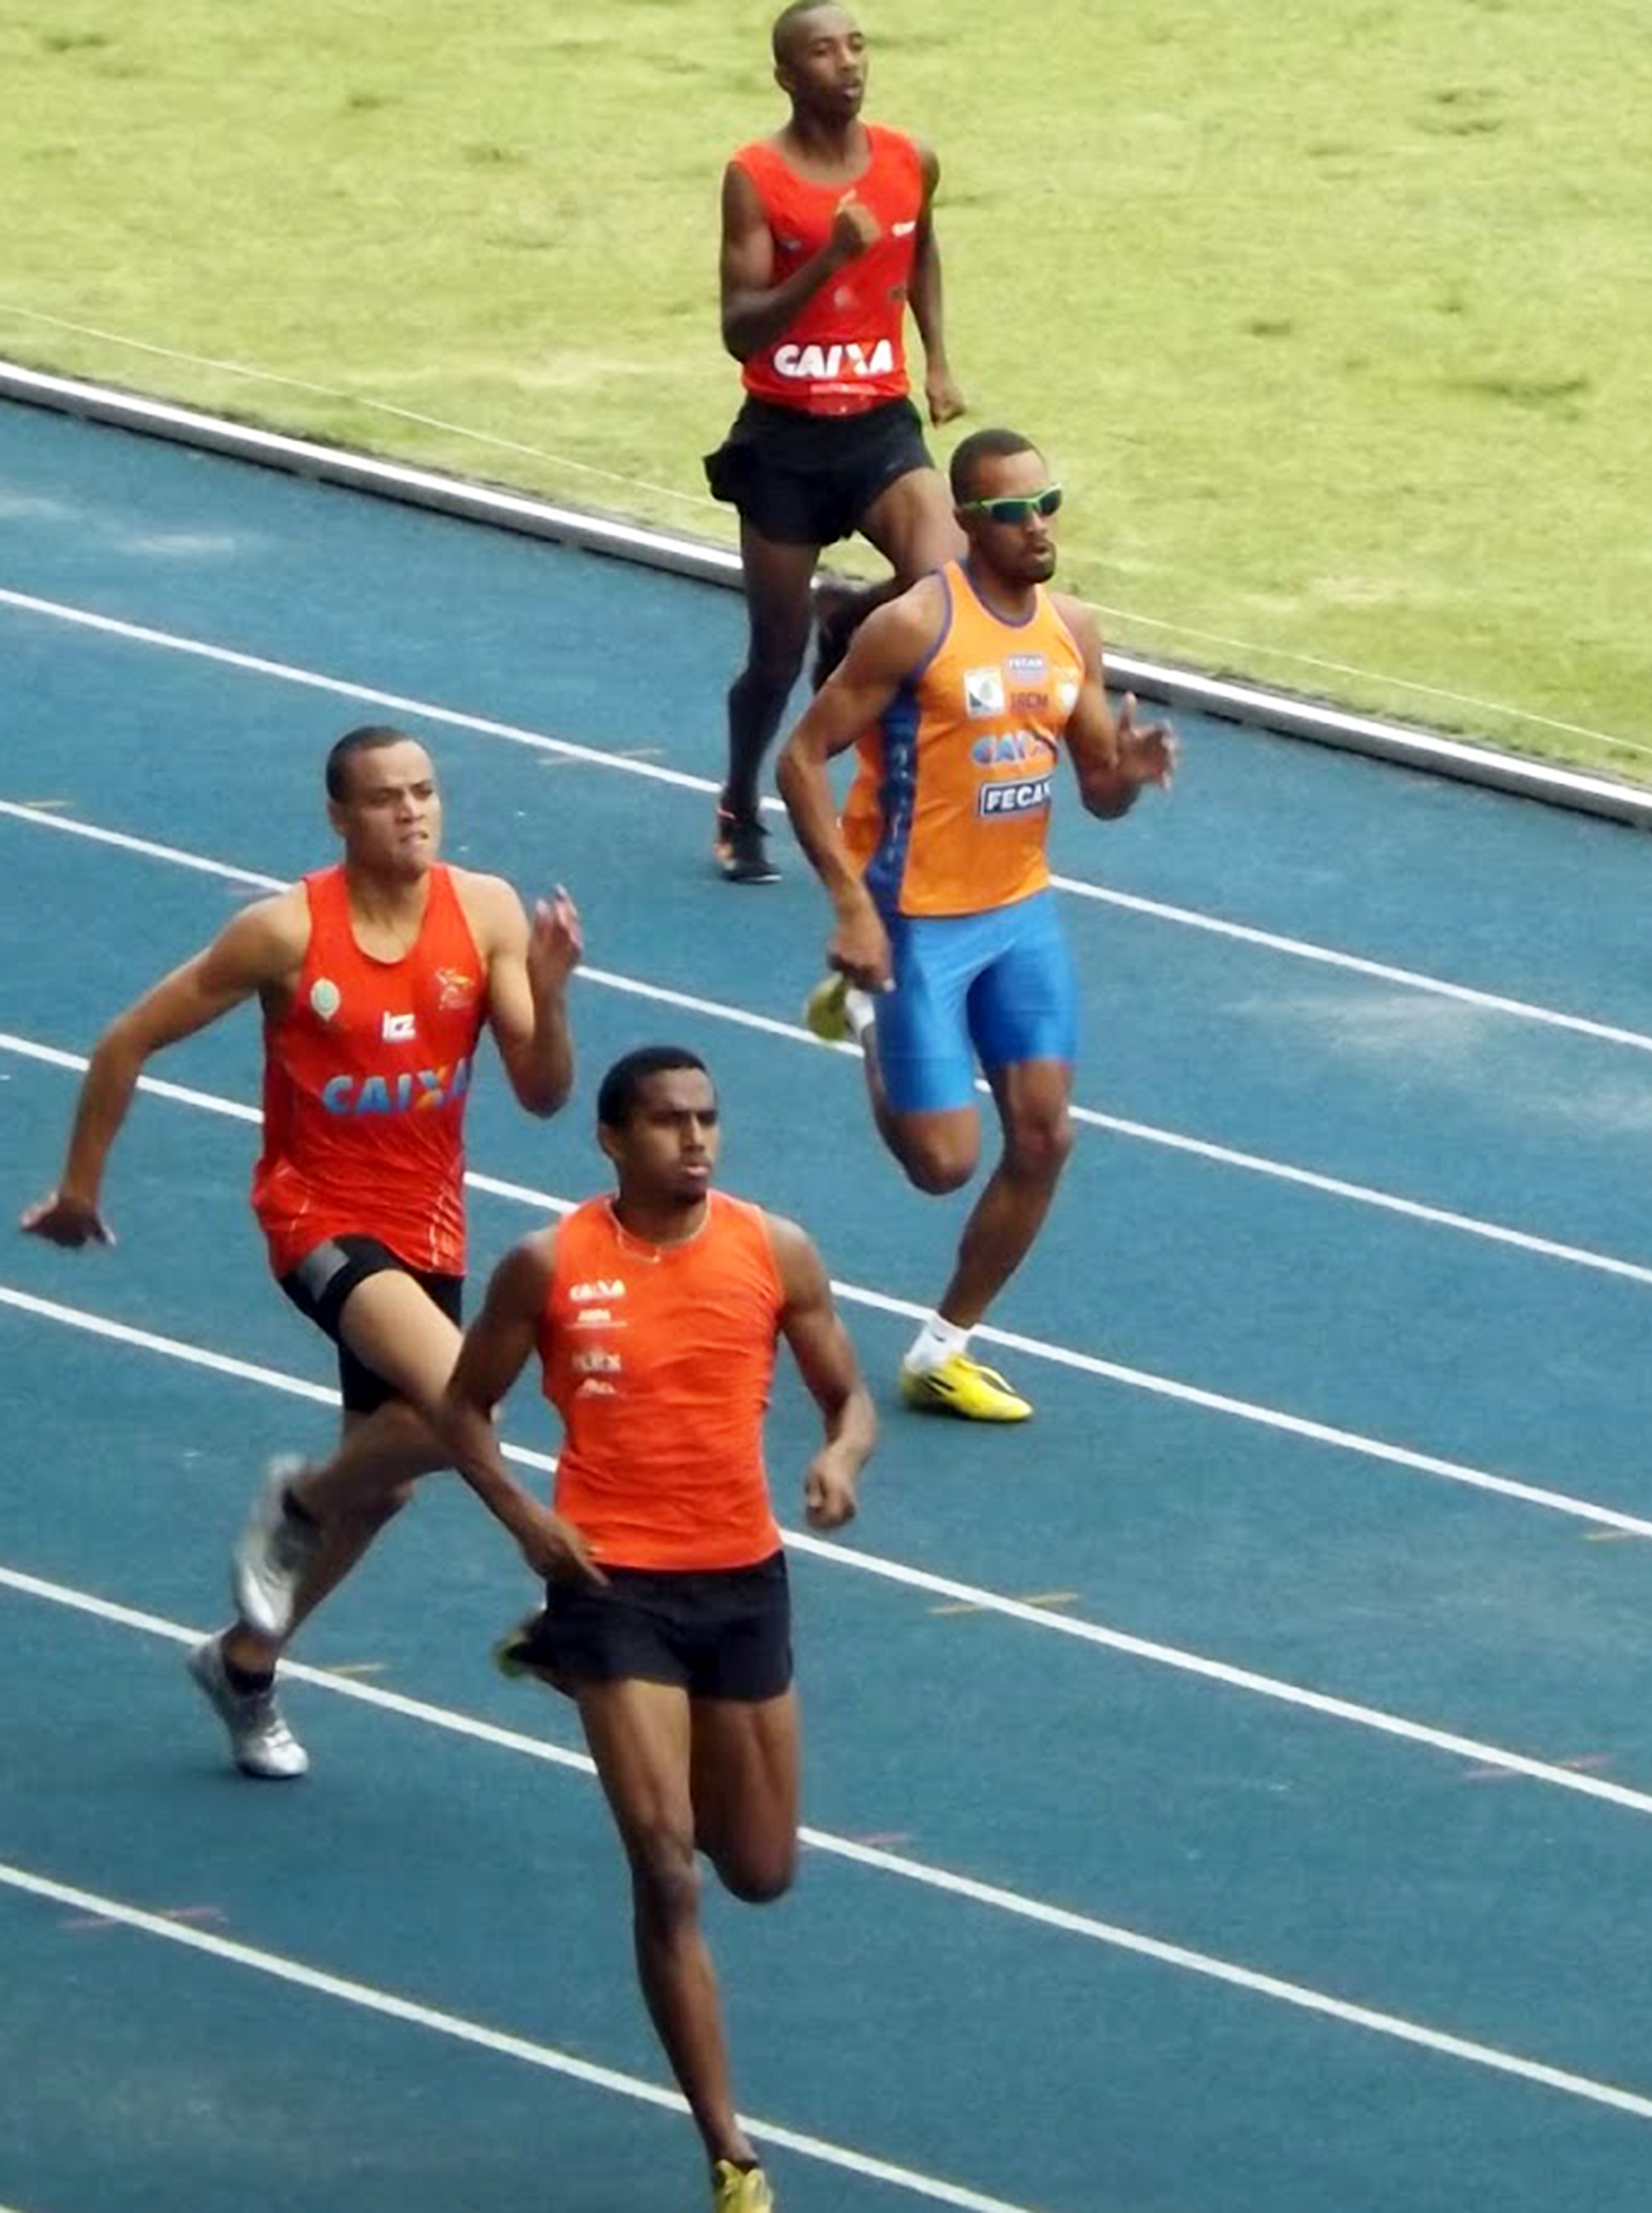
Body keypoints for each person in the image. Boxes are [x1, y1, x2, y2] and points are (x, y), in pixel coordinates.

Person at [21, 724, 580, 1780]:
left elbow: (545, 1094)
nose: (412, 812)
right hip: (316, 1216)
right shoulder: (284, 934)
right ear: (339, 816)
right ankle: (325, 1516)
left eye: (425, 792)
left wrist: (549, 995)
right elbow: (123, 1042)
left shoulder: (489, 912)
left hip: (429, 1223)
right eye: (385, 798)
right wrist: (81, 1191)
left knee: (390, 1479)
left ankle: (246, 1661)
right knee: (469, 1406)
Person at [435, 1045, 874, 2213]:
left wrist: (839, 1457)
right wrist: (528, 1519)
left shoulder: (772, 1250)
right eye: (671, 1123)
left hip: (741, 1582)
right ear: (613, 1141)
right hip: (613, 1580)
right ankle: (731, 2151)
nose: (696, 1140)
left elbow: (851, 1395)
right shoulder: (550, 1264)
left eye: (709, 1120)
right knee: (668, 1870)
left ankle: (561, 1660)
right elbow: (461, 1406)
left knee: (763, 1871)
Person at [771, 428, 1178, 1423]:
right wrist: (852, 906)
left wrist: (1127, 774)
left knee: (1046, 1139)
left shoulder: (1071, 629)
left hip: (1019, 913)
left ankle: (943, 1348)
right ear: (966, 522)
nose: (1036, 528)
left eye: (1048, 506)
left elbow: (1099, 792)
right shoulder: (915, 627)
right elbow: (800, 759)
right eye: (1011, 513)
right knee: (941, 1163)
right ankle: (862, 1014)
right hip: (916, 922)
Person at [705, 0, 968, 887]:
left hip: (878, 428)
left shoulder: (908, 160)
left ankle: (852, 616)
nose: (847, 64)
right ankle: (742, 795)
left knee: (948, 587)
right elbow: (740, 330)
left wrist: (937, 361)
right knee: (774, 659)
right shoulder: (755, 177)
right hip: (783, 439)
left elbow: (920, 247)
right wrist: (825, 259)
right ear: (787, 75)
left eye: (858, 46)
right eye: (822, 51)